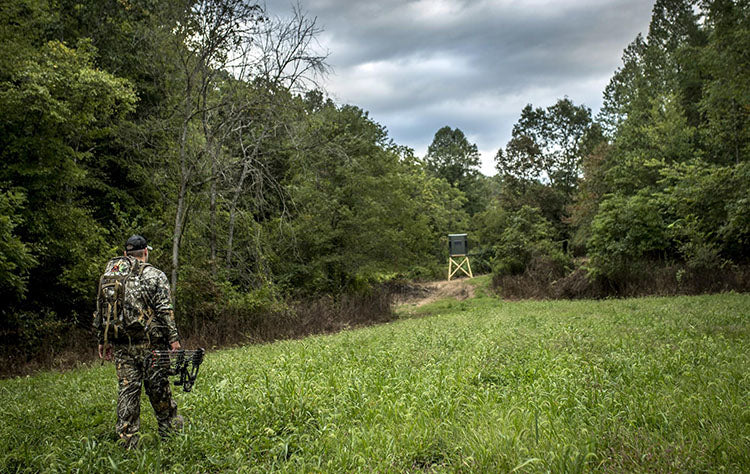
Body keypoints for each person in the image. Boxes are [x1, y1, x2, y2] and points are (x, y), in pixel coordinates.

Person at [94, 235, 183, 448]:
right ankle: (169, 431)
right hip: (151, 345)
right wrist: (174, 339)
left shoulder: (110, 276)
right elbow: (164, 310)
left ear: (126, 254)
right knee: (158, 386)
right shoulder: (154, 275)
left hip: (122, 345)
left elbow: (101, 310)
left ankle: (127, 439)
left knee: (127, 389)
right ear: (145, 252)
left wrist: (102, 340)